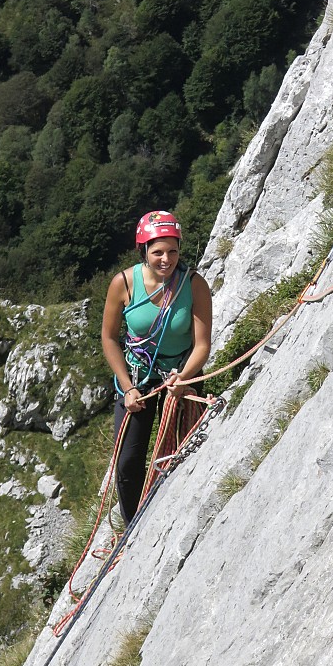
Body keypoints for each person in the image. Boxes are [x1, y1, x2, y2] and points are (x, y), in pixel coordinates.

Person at [101, 210, 212, 524]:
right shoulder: (123, 283)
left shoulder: (193, 285)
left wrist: (185, 377)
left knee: (183, 451)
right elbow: (109, 339)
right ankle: (132, 525)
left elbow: (202, 344)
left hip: (181, 373)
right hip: (137, 376)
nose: (167, 259)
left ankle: (179, 514)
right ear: (143, 251)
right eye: (158, 252)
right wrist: (127, 387)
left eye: (173, 251)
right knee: (128, 462)